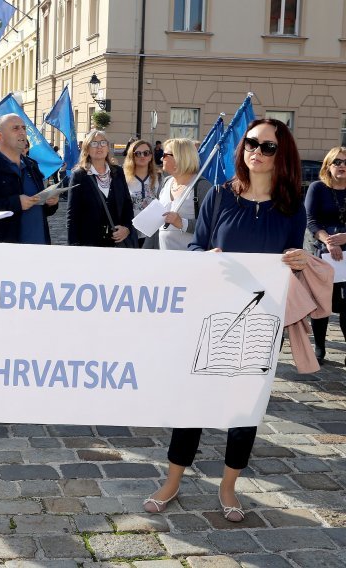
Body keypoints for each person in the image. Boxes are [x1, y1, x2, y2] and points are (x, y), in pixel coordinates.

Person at [143, 118, 308, 523]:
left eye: (268, 146)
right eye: (252, 143)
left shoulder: (291, 206)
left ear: (281, 153)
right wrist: (204, 257)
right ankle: (173, 480)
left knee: (244, 409)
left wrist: (300, 262)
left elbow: (294, 263)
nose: (257, 150)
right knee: (192, 403)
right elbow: (198, 242)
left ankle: (229, 485)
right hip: (211, 314)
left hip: (262, 320)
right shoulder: (219, 195)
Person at [0, 114, 58, 244]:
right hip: (4, 252)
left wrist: (50, 203)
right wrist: (15, 203)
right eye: (15, 128)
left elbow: (41, 208)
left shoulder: (31, 165)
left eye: (24, 128)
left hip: (38, 248)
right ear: (0, 136)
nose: (22, 132)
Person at [305, 146, 346, 363]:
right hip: (323, 253)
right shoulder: (317, 188)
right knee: (322, 302)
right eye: (337, 162)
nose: (342, 166)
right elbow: (311, 220)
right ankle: (319, 347)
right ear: (328, 166)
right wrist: (328, 241)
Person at [66, 130, 134, 247]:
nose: (99, 147)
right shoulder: (79, 175)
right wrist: (74, 245)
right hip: (89, 243)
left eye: (103, 143)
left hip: (116, 242)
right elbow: (72, 214)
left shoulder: (117, 172)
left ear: (108, 147)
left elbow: (127, 204)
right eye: (94, 143)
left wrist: (127, 228)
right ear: (87, 149)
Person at [156, 138, 212, 251]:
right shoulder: (166, 182)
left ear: (179, 158)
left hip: (191, 261)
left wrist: (182, 223)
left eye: (165, 155)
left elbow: (212, 224)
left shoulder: (201, 186)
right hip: (164, 260)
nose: (162, 158)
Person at [123, 140, 161, 247]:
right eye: (138, 153)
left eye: (146, 153)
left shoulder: (159, 178)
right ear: (132, 156)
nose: (142, 156)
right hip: (131, 234)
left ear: (151, 156)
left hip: (154, 234)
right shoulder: (123, 179)